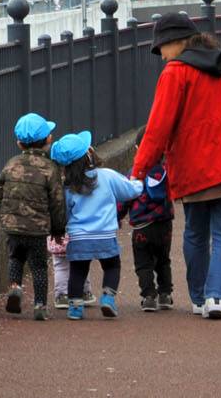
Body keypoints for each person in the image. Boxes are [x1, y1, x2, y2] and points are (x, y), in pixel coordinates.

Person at [132, 14, 221, 320]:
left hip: (196, 166)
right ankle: (217, 298)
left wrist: (138, 171)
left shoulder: (176, 72)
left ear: (176, 42)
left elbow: (158, 127)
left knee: (196, 233)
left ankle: (200, 296)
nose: (161, 54)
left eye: (161, 47)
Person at [51, 130, 144, 320]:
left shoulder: (68, 186)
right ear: (88, 155)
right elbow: (129, 191)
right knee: (112, 266)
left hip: (78, 237)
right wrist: (139, 183)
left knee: (77, 271)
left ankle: (75, 307)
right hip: (105, 234)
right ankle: (108, 298)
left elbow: (65, 212)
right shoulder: (107, 176)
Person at [0, 113, 65, 321]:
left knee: (15, 258)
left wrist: (4, 218)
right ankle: (40, 305)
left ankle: (15, 287)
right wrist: (58, 228)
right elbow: (57, 201)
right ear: (48, 140)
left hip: (12, 225)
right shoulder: (49, 168)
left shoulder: (11, 163)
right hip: (37, 227)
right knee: (39, 266)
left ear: (18, 142)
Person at [119, 129, 175, 312]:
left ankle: (149, 296)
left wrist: (116, 218)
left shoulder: (135, 174)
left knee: (143, 263)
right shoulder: (167, 172)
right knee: (163, 260)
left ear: (137, 148)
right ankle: (165, 294)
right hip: (164, 224)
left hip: (142, 227)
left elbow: (124, 199)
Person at [47, 233, 70, 308]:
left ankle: (62, 296)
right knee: (81, 267)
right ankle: (84, 292)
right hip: (77, 239)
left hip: (59, 240)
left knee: (61, 268)